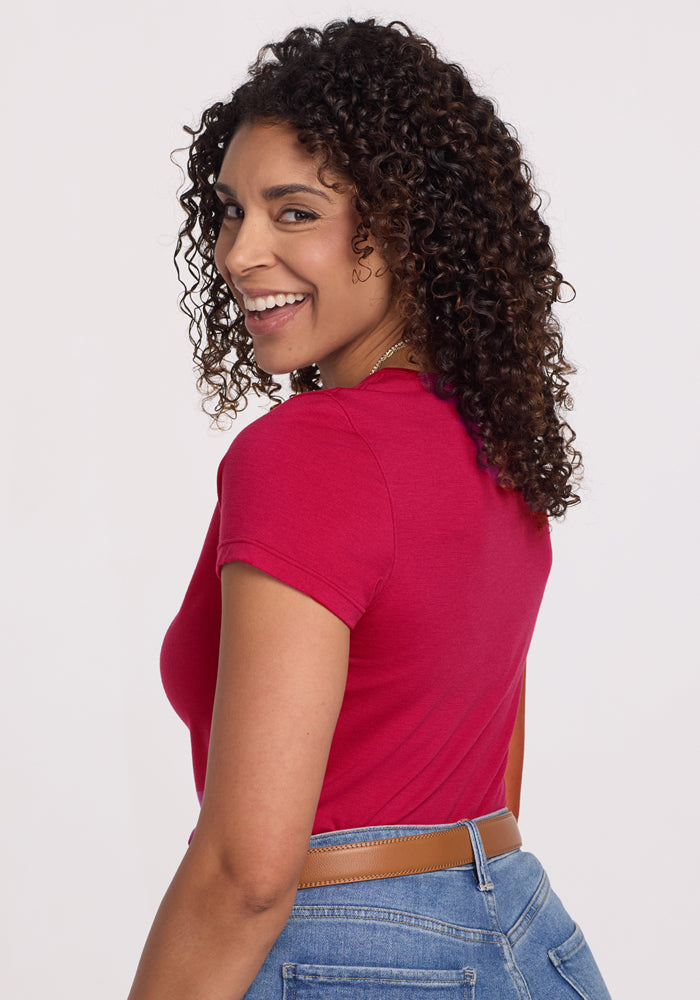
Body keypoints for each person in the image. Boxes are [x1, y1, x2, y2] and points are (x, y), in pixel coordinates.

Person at [128, 18, 612, 1000]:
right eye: (229, 211)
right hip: (527, 935)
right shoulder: (494, 440)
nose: (237, 250)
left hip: (345, 959)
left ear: (403, 224)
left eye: (293, 212)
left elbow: (246, 873)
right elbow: (486, 776)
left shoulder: (314, 450)